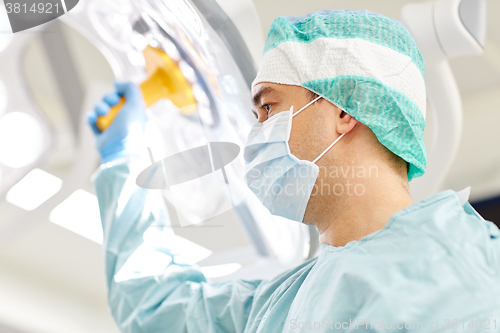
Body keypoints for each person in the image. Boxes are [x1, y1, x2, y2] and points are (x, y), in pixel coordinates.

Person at [88, 10, 500, 333]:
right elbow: (151, 306)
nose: (255, 135)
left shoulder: (456, 271)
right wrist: (123, 161)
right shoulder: (284, 302)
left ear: (344, 109)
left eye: (268, 107)